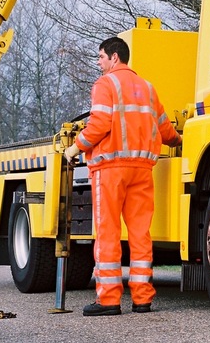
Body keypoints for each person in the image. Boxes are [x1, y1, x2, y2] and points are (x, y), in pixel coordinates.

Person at [66, 36, 182, 316]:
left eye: (101, 57)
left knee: (108, 232)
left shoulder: (105, 84)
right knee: (140, 233)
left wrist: (75, 147)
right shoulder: (148, 88)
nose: (99, 63)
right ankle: (142, 298)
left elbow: (99, 125)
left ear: (114, 57)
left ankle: (108, 300)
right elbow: (165, 129)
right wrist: (180, 141)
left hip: (110, 169)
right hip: (142, 169)